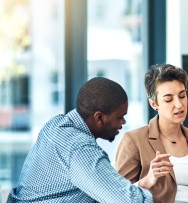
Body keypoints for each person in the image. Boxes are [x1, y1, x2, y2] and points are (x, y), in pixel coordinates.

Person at [7, 77, 152, 202]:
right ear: (99, 117)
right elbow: (128, 200)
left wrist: (141, 184)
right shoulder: (80, 149)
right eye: (120, 117)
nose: (123, 122)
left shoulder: (55, 124)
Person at [115, 64, 188, 203]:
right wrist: (147, 181)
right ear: (154, 104)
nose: (179, 105)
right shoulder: (134, 140)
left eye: (182, 96)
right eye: (169, 99)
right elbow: (118, 196)